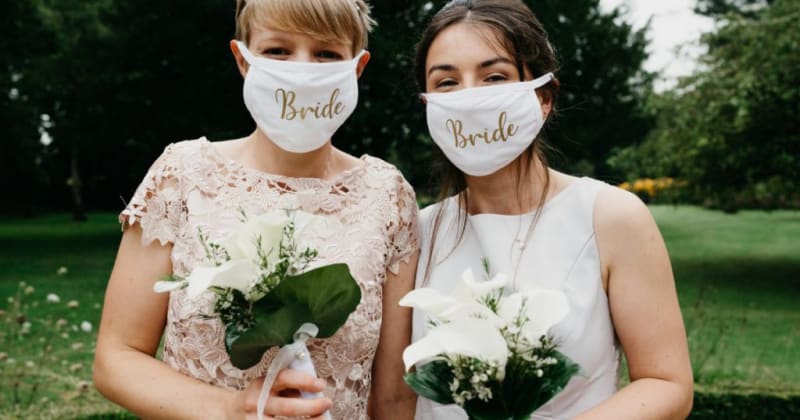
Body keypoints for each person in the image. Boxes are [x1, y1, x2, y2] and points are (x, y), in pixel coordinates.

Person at [93, 1, 419, 418]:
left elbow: (393, 397)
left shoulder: (387, 194)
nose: (302, 70)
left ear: (357, 68)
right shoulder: (182, 174)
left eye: (326, 54)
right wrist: (232, 408)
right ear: (242, 59)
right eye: (278, 51)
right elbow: (116, 358)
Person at [411, 1, 693, 419]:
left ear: (543, 98)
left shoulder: (611, 216)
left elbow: (667, 383)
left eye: (494, 77)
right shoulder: (418, 231)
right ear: (429, 104)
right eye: (448, 82)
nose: (470, 97)